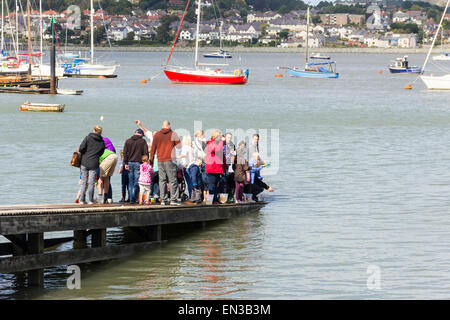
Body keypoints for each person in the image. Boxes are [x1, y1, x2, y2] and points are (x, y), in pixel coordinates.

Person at [150, 120, 182, 205]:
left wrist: (151, 161)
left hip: (160, 160)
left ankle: (163, 200)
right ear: (169, 126)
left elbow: (153, 149)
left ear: (162, 126)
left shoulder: (157, 135)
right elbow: (179, 146)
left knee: (162, 180)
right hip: (170, 160)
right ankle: (173, 200)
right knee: (172, 180)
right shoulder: (173, 134)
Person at [78, 126, 105, 204]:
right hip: (94, 163)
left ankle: (82, 200)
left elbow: (81, 149)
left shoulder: (87, 138)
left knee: (84, 182)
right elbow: (101, 153)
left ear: (94, 130)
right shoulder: (101, 141)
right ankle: (90, 200)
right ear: (100, 132)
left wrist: (85, 154)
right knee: (91, 183)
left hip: (84, 162)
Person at [123, 128, 149, 204]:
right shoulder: (142, 141)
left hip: (130, 163)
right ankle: (134, 197)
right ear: (140, 134)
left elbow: (124, 153)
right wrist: (146, 162)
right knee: (137, 181)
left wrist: (126, 163)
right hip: (138, 163)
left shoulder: (128, 141)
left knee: (130, 182)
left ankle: (131, 199)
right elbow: (146, 153)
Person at [205, 129, 227, 204]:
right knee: (212, 185)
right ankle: (211, 201)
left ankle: (215, 200)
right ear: (216, 137)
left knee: (216, 186)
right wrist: (222, 142)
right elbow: (217, 150)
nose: (221, 138)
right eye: (220, 137)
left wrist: (225, 167)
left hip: (218, 169)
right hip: (212, 169)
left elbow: (222, 156)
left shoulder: (218, 144)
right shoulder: (211, 144)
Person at [177, 135, 195, 199]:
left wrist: (176, 157)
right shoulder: (191, 148)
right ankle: (194, 196)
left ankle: (191, 196)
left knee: (189, 183)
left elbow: (184, 156)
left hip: (187, 167)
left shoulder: (185, 147)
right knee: (192, 183)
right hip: (193, 167)